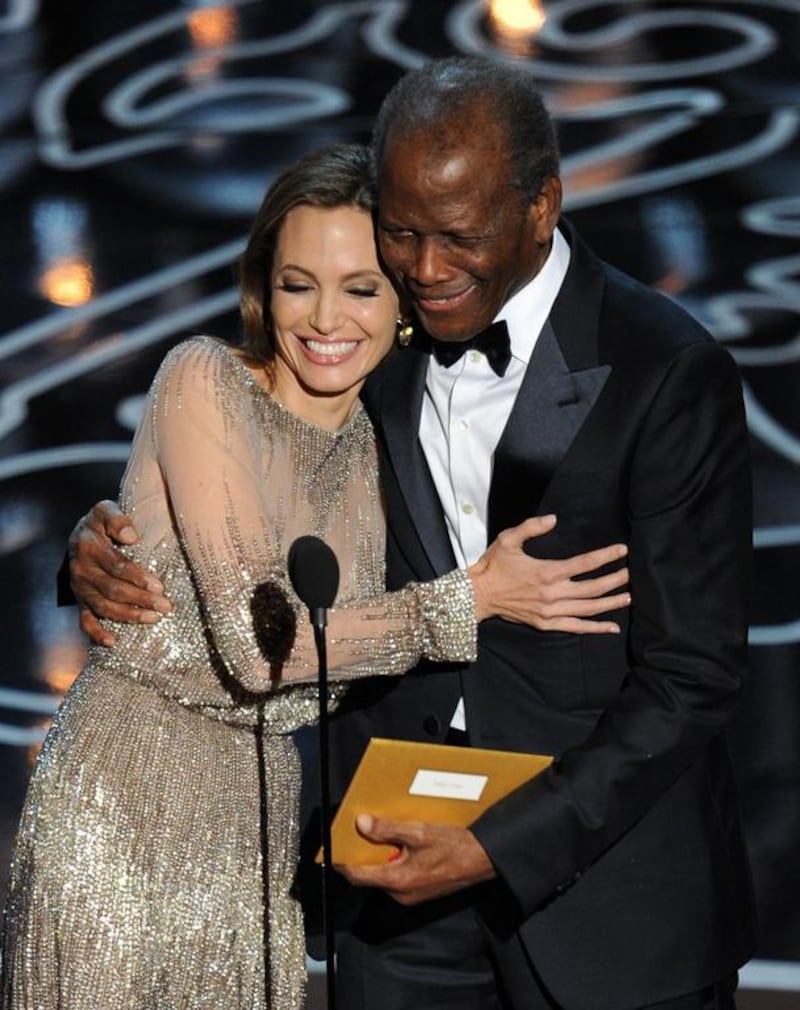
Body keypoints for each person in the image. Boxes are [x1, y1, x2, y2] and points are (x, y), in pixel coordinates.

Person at [61, 55, 755, 1010]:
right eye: (402, 233)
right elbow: (246, 477)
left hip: (606, 894)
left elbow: (694, 675)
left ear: (541, 206)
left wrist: (500, 843)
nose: (425, 269)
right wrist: (97, 549)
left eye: (458, 237)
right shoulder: (370, 336)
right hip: (388, 889)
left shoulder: (665, 370)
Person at [1, 141, 629, 1010]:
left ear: (404, 298)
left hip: (255, 820)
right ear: (266, 287)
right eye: (300, 283)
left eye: (361, 287)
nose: (325, 318)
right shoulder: (205, 380)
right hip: (121, 805)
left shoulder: (394, 437)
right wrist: (468, 600)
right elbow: (266, 650)